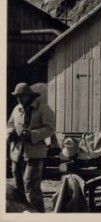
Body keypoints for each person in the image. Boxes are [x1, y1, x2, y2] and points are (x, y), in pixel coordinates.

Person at [7, 83, 55, 212]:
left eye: (22, 96)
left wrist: (32, 134)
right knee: (18, 185)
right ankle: (23, 212)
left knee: (31, 185)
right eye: (17, 96)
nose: (19, 99)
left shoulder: (43, 108)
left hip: (34, 153)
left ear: (30, 95)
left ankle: (37, 213)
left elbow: (50, 128)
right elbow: (9, 123)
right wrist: (10, 131)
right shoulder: (17, 109)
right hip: (17, 153)